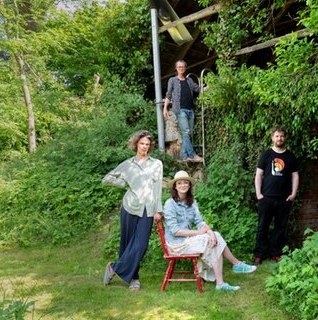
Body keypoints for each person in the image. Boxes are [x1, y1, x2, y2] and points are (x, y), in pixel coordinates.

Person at [164, 170, 257, 292]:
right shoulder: (170, 204)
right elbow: (176, 231)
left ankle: (225, 278)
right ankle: (231, 270)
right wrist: (200, 233)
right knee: (210, 241)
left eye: (186, 182)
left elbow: (200, 222)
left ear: (189, 185)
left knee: (215, 237)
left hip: (187, 240)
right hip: (176, 244)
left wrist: (210, 232)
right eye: (180, 183)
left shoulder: (192, 203)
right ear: (175, 186)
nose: (183, 185)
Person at [101, 130, 164, 291]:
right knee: (127, 243)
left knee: (141, 245)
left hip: (148, 209)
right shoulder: (127, 165)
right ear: (136, 144)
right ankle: (134, 279)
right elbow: (106, 178)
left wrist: (159, 210)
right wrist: (123, 183)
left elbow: (157, 188)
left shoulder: (156, 164)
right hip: (129, 206)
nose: (145, 147)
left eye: (147, 144)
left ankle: (113, 268)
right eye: (142, 143)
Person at [253, 126, 299, 265]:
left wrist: (293, 194)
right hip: (266, 197)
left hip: (284, 199)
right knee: (262, 227)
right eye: (277, 136)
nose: (279, 139)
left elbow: (295, 176)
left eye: (282, 136)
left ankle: (276, 253)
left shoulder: (290, 156)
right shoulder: (266, 154)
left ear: (285, 138)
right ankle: (259, 255)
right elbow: (258, 175)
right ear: (272, 138)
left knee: (280, 228)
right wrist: (259, 193)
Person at [163, 60, 204, 162]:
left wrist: (210, 87)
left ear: (185, 68)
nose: (181, 68)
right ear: (176, 69)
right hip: (180, 110)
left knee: (188, 133)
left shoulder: (189, 80)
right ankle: (193, 155)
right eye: (179, 67)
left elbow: (198, 89)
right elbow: (168, 95)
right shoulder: (172, 80)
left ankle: (185, 156)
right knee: (185, 132)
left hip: (190, 110)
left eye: (183, 67)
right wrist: (165, 108)